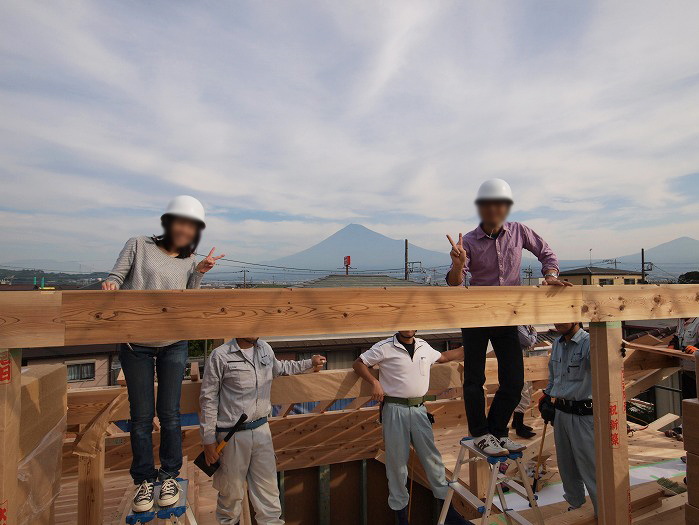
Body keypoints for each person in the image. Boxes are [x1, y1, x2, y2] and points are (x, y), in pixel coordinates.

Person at [103, 195, 223, 512]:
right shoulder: (138, 245)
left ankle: (168, 475)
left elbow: (186, 300)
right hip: (135, 343)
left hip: (174, 341)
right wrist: (111, 286)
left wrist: (198, 272)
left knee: (169, 415)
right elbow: (117, 275)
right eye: (181, 221)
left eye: (193, 225)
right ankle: (144, 481)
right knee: (141, 417)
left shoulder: (188, 260)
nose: (186, 229)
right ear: (168, 221)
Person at [446, 178, 571, 457]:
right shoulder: (468, 241)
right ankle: (480, 434)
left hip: (507, 316)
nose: (495, 210)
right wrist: (458, 265)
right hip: (476, 316)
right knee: (474, 379)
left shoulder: (519, 232)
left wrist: (550, 275)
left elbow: (547, 253)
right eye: (488, 204)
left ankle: (497, 432)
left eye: (500, 204)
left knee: (514, 380)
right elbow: (455, 283)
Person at [200, 338, 326, 525]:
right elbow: (208, 398)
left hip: (261, 431)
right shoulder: (220, 356)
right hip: (231, 436)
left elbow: (281, 368)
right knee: (230, 497)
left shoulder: (264, 348)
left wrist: (310, 362)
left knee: (269, 499)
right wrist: (208, 440)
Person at [352, 331, 471, 525]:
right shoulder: (385, 347)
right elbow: (358, 363)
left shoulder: (424, 346)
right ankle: (402, 520)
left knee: (433, 462)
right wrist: (374, 382)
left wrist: (470, 347)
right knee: (397, 466)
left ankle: (450, 515)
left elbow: (444, 357)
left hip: (419, 410)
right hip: (394, 410)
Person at [539, 323, 597, 514]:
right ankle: (576, 503)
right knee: (566, 465)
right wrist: (547, 398)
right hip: (561, 413)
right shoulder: (557, 344)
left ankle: (603, 509)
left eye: (563, 317)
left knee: (590, 465)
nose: (558, 322)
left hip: (583, 414)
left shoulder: (589, 343)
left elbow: (605, 363)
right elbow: (554, 377)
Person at [511, 325, 538, 439]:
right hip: (519, 362)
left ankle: (517, 422)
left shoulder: (525, 326)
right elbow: (527, 341)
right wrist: (534, 334)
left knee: (526, 391)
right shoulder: (519, 326)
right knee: (524, 392)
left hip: (524, 362)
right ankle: (519, 427)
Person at [668, 318, 699, 400]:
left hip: (698, 374)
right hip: (686, 371)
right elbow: (677, 336)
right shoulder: (681, 319)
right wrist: (672, 344)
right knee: (688, 403)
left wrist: (697, 349)